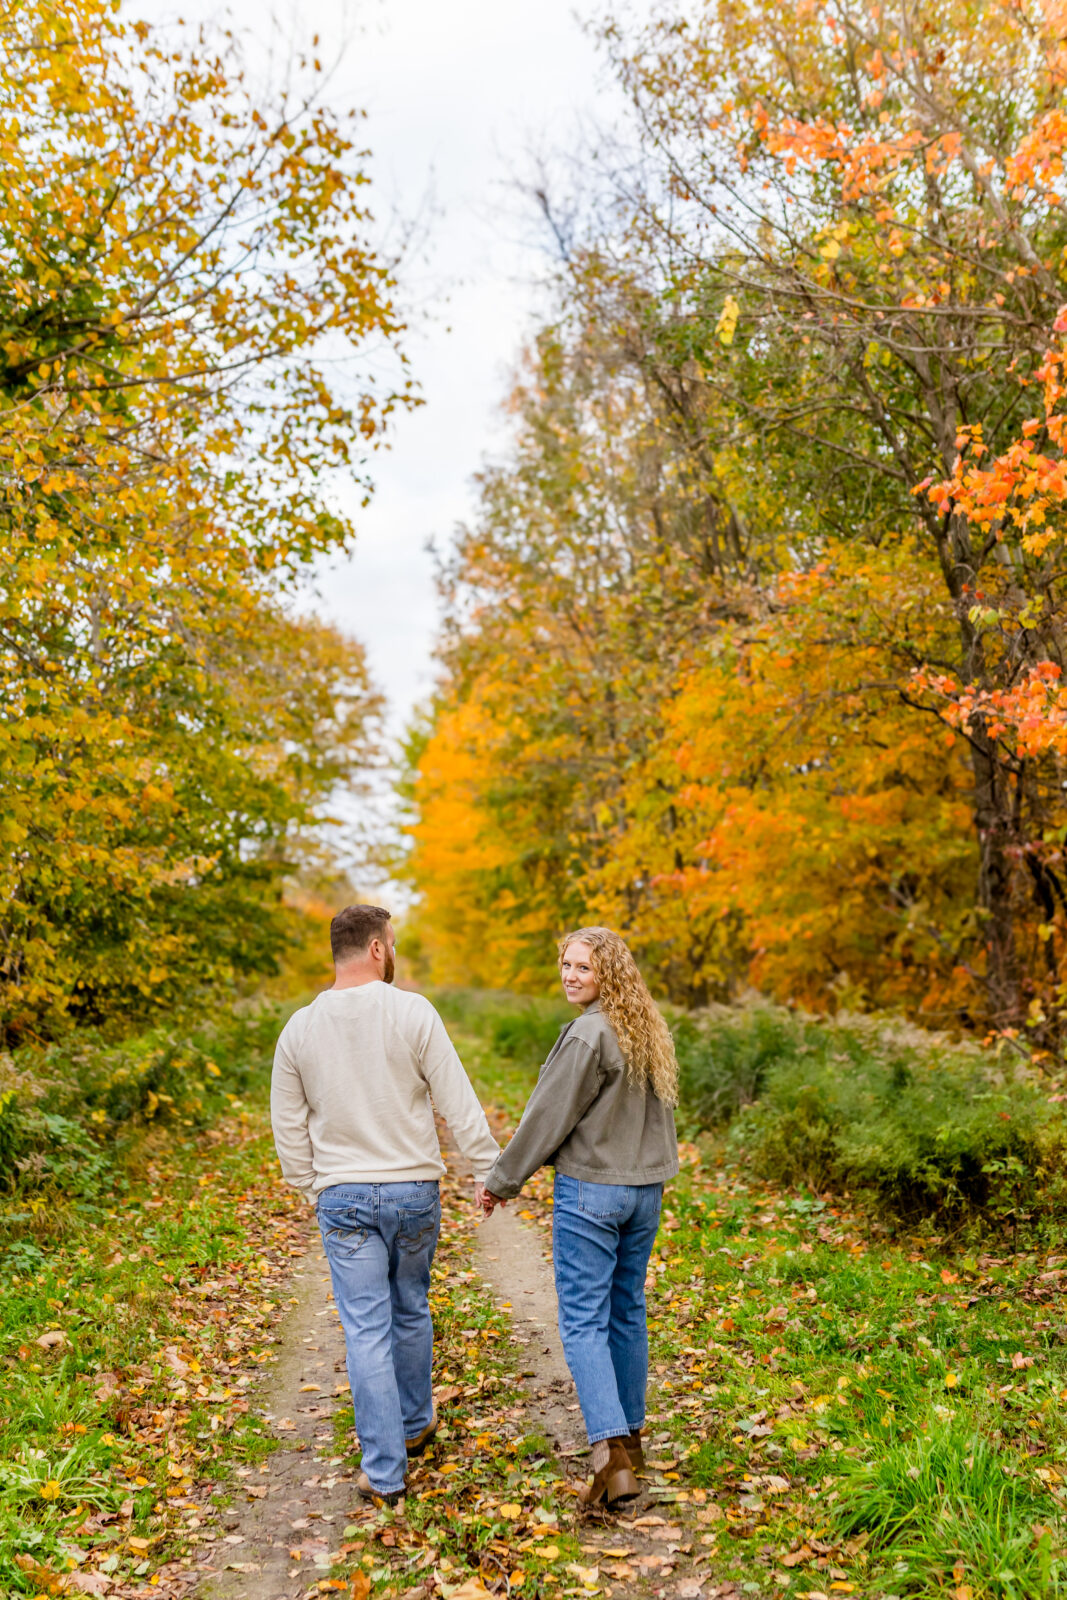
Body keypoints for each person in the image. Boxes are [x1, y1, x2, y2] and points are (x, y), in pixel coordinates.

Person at [270, 904, 500, 1505]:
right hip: (412, 1191)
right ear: (376, 948)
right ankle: (415, 1420)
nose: (393, 952)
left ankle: (386, 1472)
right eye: (391, 943)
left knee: (365, 1327)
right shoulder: (412, 1012)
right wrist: (487, 1169)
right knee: (410, 1307)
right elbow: (458, 1100)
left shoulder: (299, 1028)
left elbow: (288, 1123)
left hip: (343, 1194)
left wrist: (307, 1184)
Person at [480, 926, 679, 1509]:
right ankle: (632, 1437)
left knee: (585, 1321)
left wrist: (501, 1181)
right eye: (565, 964)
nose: (570, 975)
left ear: (607, 974)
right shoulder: (645, 1032)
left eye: (583, 968)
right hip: (644, 1192)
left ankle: (611, 1455)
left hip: (593, 1194)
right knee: (627, 1311)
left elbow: (548, 1118)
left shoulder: (588, 1034)